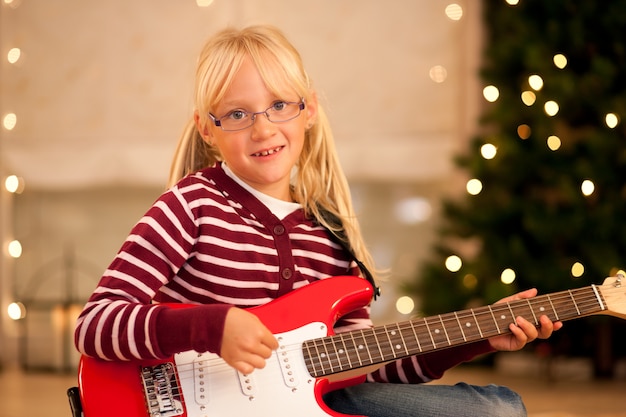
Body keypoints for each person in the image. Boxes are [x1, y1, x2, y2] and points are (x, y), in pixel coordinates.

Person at [74, 25, 561, 417]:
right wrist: (210, 326)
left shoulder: (329, 236)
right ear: (207, 127)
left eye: (280, 105)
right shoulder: (190, 205)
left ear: (307, 110)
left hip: (307, 406)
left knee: (498, 410)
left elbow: (365, 370)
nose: (264, 128)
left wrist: (471, 338)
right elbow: (94, 324)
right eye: (238, 114)